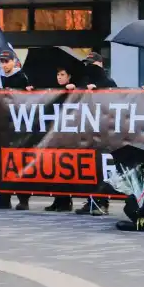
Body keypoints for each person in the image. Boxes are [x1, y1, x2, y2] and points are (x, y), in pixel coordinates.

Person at [0, 51, 34, 211]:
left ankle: (23, 198)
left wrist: (7, 91)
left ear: (14, 62)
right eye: (1, 61)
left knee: (19, 161)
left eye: (7, 61)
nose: (4, 64)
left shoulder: (22, 77)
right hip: (0, 129)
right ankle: (2, 196)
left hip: (17, 129)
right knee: (0, 161)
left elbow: (26, 101)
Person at [73, 52, 117, 216]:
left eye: (92, 64)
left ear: (100, 64)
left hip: (104, 130)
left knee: (101, 166)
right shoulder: (85, 81)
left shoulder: (108, 82)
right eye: (87, 64)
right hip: (88, 129)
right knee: (89, 167)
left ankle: (102, 201)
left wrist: (99, 91)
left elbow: (114, 103)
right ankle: (92, 199)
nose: (89, 67)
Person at [43, 66, 79, 213]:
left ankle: (65, 201)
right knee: (56, 168)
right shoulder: (55, 92)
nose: (59, 77)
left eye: (62, 74)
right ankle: (57, 200)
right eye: (58, 74)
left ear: (69, 77)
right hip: (55, 134)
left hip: (68, 135)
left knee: (65, 169)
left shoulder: (74, 91)